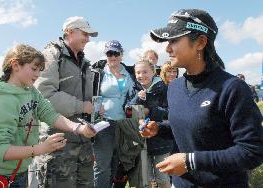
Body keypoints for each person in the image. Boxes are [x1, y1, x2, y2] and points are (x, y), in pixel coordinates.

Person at [140, 8, 263, 188]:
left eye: (173, 40)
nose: (167, 48)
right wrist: (159, 128)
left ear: (200, 42)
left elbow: (252, 152)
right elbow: (193, 126)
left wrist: (190, 161)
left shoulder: (232, 88)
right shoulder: (174, 87)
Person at [0, 44, 96, 188]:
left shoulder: (31, 92)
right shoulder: (3, 100)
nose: (38, 74)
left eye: (40, 70)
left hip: (21, 171)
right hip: (1, 177)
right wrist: (40, 149)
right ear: (15, 65)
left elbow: (50, 114)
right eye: (34, 68)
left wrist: (79, 128)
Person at [34, 16, 99, 187]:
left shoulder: (85, 62)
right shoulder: (51, 55)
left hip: (83, 141)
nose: (88, 39)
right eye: (84, 33)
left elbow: (86, 97)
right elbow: (45, 94)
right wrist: (81, 105)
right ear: (69, 32)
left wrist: (95, 107)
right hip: (57, 141)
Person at [91, 40, 135, 188]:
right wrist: (97, 107)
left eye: (116, 53)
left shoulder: (129, 73)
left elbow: (133, 95)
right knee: (102, 165)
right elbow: (91, 96)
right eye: (110, 53)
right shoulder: (99, 73)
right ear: (106, 55)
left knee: (116, 163)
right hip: (104, 123)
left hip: (123, 124)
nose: (113, 56)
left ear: (121, 55)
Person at [126, 60, 173, 188]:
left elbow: (170, 112)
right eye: (138, 72)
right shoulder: (134, 88)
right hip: (141, 141)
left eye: (145, 71)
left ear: (153, 71)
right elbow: (127, 110)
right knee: (145, 179)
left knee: (163, 178)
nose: (141, 75)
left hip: (161, 141)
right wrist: (137, 98)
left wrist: (151, 109)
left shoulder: (164, 88)